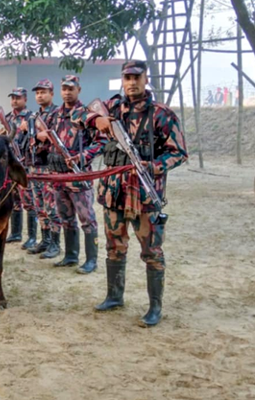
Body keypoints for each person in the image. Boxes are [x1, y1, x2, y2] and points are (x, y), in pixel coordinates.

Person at [77, 60, 188, 327]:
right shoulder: (113, 107)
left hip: (145, 195)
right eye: (127, 77)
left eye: (136, 77)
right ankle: (114, 296)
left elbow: (179, 153)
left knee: (152, 252)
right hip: (113, 193)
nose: (131, 82)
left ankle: (154, 308)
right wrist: (97, 119)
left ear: (145, 78)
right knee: (114, 247)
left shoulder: (162, 114)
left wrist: (153, 166)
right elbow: (79, 116)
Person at [48, 75, 106, 274]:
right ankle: (71, 255)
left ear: (79, 90)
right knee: (65, 217)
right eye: (64, 88)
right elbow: (47, 139)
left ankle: (91, 260)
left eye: (71, 88)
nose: (67, 92)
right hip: (59, 176)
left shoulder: (86, 114)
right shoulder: (54, 115)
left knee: (86, 218)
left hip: (78, 176)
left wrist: (83, 156)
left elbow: (101, 140)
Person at [19, 79, 62, 258]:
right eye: (37, 93)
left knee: (52, 207)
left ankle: (55, 243)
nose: (40, 95)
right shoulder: (34, 117)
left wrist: (36, 135)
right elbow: (30, 140)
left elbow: (55, 138)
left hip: (48, 166)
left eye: (43, 92)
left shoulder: (57, 115)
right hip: (33, 166)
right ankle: (44, 240)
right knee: (39, 206)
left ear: (52, 94)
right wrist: (24, 131)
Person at [0, 87, 36, 245]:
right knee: (13, 199)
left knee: (28, 200)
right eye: (12, 98)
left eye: (18, 98)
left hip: (26, 163)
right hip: (11, 165)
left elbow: (33, 138)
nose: (14, 101)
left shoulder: (31, 117)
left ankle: (32, 237)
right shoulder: (6, 118)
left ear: (25, 99)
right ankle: (15, 232)